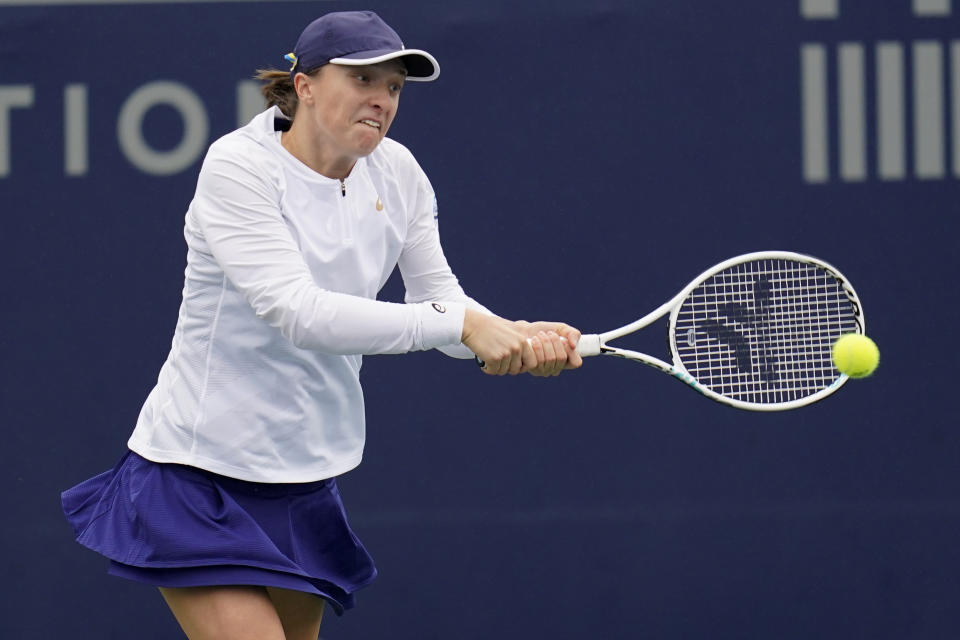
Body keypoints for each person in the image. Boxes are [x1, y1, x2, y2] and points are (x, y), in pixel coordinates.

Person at [61, 10, 581, 640]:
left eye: (393, 87)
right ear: (303, 85)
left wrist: (508, 332)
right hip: (197, 470)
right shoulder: (238, 166)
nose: (382, 100)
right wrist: (465, 324)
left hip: (302, 475)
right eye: (363, 79)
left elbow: (440, 300)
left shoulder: (401, 172)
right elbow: (298, 312)